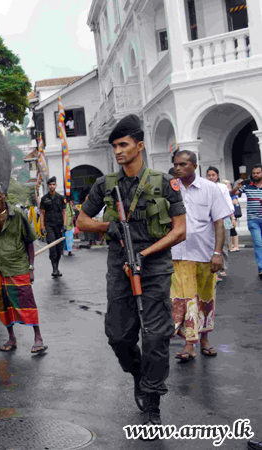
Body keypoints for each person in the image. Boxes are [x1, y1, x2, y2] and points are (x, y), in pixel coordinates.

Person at [76, 114, 186, 435]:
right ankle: (138, 373)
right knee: (119, 335)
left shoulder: (165, 183)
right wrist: (108, 226)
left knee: (155, 335)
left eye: (123, 145)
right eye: (115, 146)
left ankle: (152, 400)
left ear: (140, 146)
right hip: (119, 265)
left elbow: (179, 231)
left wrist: (146, 253)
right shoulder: (105, 185)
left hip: (153, 267)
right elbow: (82, 221)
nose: (118, 151)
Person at [171, 152, 228, 361]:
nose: (178, 168)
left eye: (183, 164)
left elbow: (219, 223)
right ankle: (189, 344)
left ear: (194, 166)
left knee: (205, 299)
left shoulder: (210, 189)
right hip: (177, 254)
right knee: (186, 301)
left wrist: (217, 253)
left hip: (204, 254)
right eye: (176, 164)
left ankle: (204, 340)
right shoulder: (171, 188)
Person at [0, 181, 45, 354]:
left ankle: (38, 337)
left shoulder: (17, 214)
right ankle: (11, 337)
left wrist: (31, 268)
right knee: (5, 305)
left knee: (26, 302)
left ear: (5, 197)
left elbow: (29, 242)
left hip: (18, 267)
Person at [230, 164, 262, 277]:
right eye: (254, 173)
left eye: (258, 173)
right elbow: (231, 194)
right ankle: (261, 268)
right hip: (253, 220)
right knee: (258, 244)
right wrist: (236, 187)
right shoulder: (248, 186)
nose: (255, 175)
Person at [205, 167, 234, 279]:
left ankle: (222, 267)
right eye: (209, 175)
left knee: (223, 244)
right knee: (212, 245)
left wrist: (231, 216)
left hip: (223, 218)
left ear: (217, 176)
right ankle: (214, 272)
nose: (211, 177)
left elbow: (228, 201)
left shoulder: (222, 187)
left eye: (213, 175)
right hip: (210, 220)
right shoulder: (204, 187)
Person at [40, 176, 67, 277]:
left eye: (53, 184)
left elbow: (64, 212)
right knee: (52, 246)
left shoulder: (61, 198)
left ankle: (57, 267)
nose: (52, 186)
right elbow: (42, 213)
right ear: (48, 186)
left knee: (59, 248)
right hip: (49, 225)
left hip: (59, 225)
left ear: (56, 185)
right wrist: (42, 227)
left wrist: (64, 225)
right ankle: (54, 269)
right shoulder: (44, 199)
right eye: (50, 185)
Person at [229, 181, 241, 252]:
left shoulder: (232, 194)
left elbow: (235, 202)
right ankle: (230, 246)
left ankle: (236, 246)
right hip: (228, 214)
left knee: (232, 230)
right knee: (229, 231)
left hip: (231, 214)